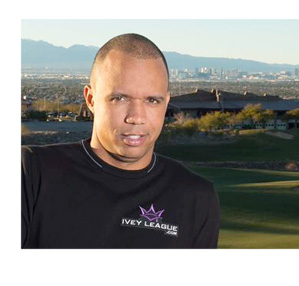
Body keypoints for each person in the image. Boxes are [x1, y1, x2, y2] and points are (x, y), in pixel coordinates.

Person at [21, 33, 220, 249]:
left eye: (152, 100)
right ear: (91, 99)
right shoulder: (32, 172)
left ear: (166, 103)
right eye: (119, 98)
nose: (136, 117)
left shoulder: (197, 196)